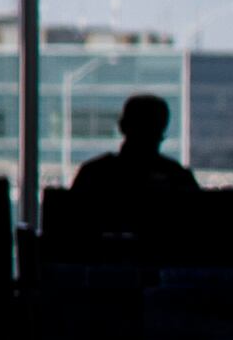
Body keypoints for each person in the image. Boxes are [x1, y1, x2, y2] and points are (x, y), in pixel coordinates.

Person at [51, 91, 195, 258]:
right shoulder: (177, 176)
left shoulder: (95, 173)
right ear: (162, 130)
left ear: (122, 127)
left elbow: (68, 234)